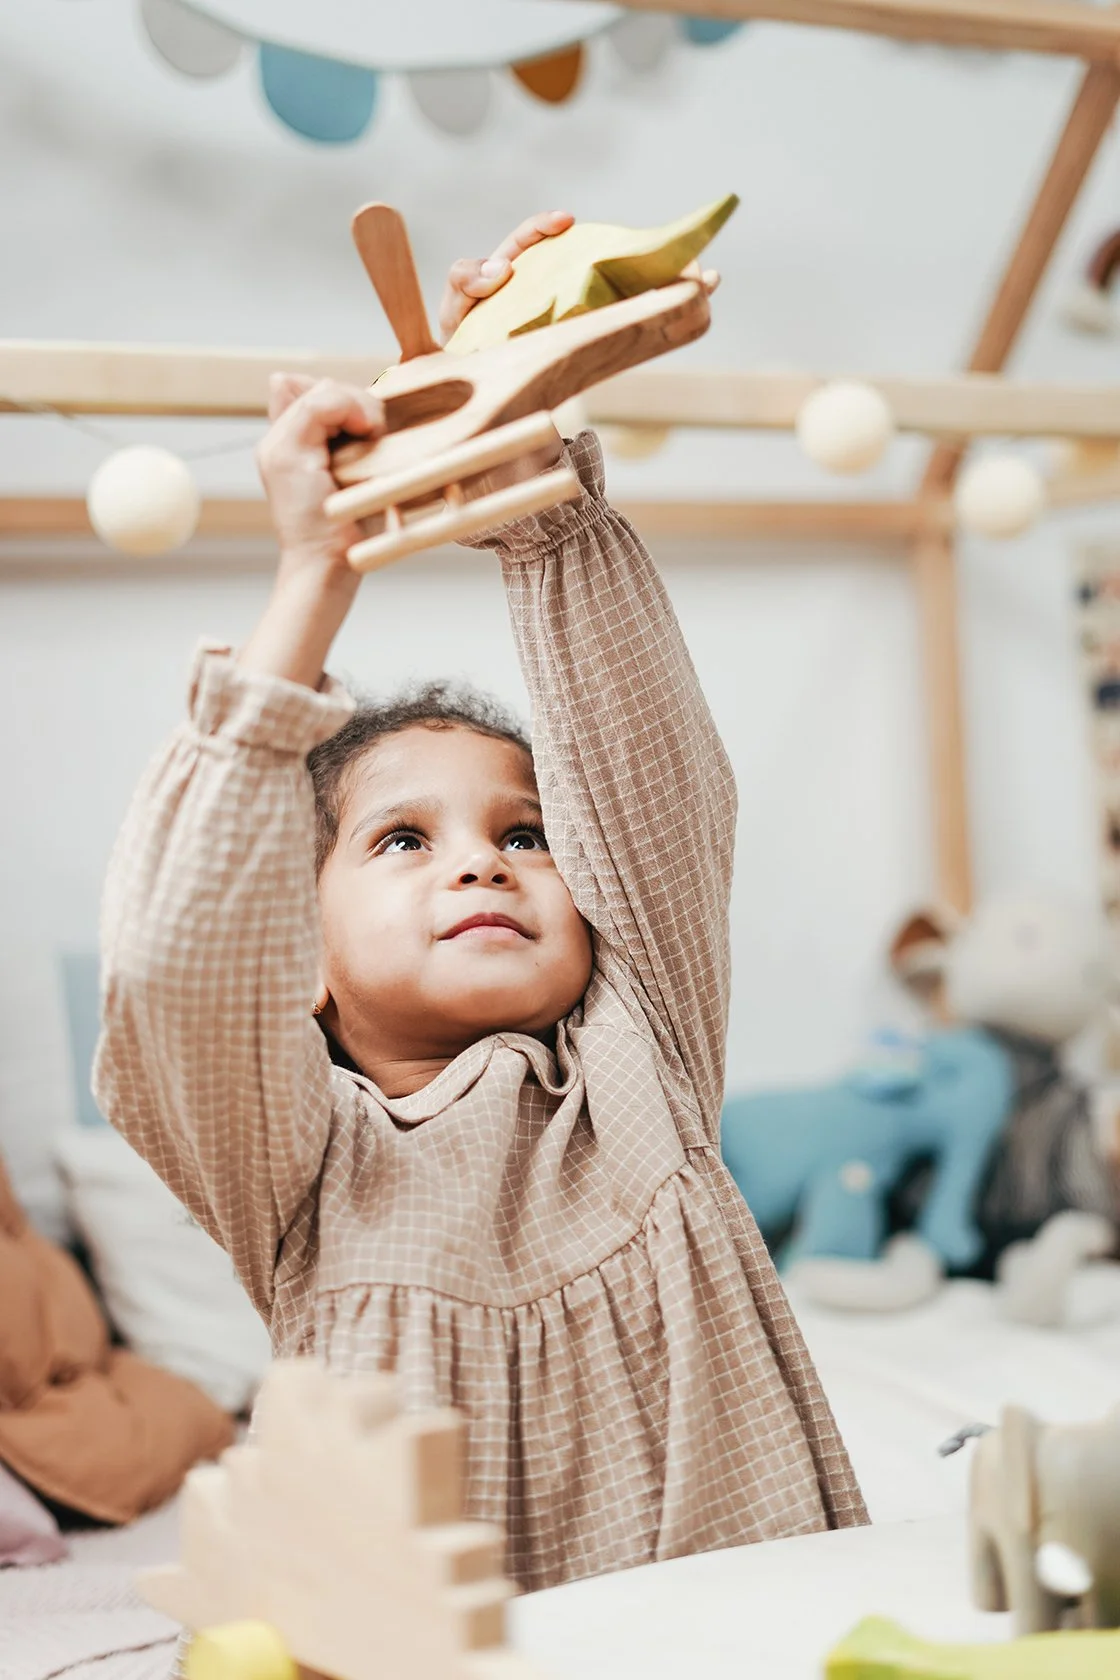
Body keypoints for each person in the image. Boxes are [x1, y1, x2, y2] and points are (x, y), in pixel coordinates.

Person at [94, 212, 865, 1592]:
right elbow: (176, 967)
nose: (480, 862)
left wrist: (528, 482)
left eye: (527, 832)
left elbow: (650, 779)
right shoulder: (297, 1167)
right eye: (401, 838)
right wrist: (314, 572)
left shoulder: (644, 1065)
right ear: (303, 958)